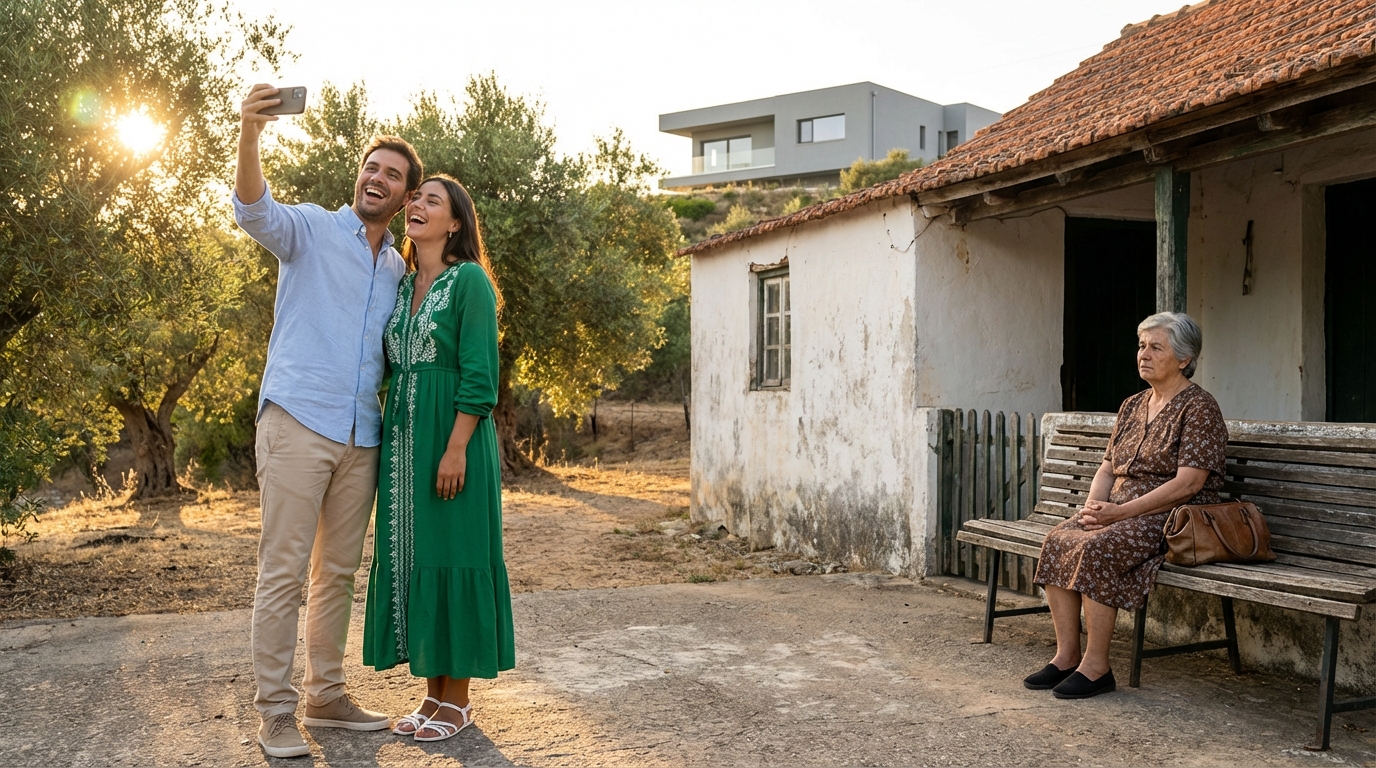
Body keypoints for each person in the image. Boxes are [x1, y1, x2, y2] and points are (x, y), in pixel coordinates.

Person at [233, 83, 421, 758]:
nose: (379, 177)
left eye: (393, 175)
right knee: (283, 571)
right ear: (359, 177)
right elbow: (254, 210)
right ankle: (277, 714)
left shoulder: (399, 267)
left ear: (404, 196)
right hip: (296, 422)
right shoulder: (310, 229)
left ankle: (325, 693)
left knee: (336, 574)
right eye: (373, 167)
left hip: (360, 439)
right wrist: (250, 132)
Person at [362, 175, 515, 742]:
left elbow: (480, 374)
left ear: (455, 223)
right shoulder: (402, 285)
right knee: (414, 558)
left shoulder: (469, 281)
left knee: (456, 554)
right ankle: (430, 693)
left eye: (432, 201)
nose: (416, 206)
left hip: (454, 441)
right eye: (415, 198)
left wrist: (455, 448)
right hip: (403, 446)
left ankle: (459, 699)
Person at [1027, 312, 1227, 699]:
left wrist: (1118, 514)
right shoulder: (1133, 404)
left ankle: (1097, 667)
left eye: (1156, 347)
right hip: (1120, 511)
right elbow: (1107, 468)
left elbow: (1188, 483)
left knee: (1098, 547)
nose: (1143, 355)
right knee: (1059, 539)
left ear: (1185, 359)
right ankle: (1066, 656)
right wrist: (1092, 510)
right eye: (1141, 346)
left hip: (1171, 517)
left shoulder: (1199, 408)